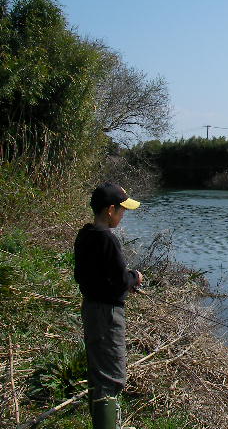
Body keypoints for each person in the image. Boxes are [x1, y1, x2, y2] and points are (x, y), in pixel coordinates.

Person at [74, 182, 142, 429]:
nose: (123, 215)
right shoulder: (108, 240)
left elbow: (87, 275)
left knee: (98, 371)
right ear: (110, 210)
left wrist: (122, 280)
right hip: (108, 315)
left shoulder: (85, 234)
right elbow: (120, 281)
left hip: (91, 308)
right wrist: (134, 278)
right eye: (122, 210)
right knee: (112, 376)